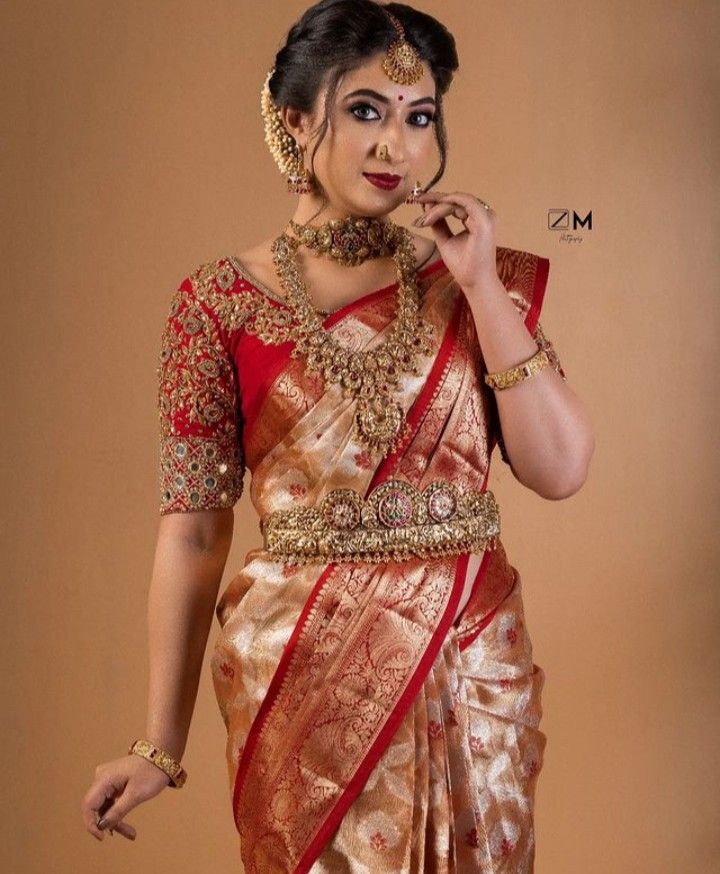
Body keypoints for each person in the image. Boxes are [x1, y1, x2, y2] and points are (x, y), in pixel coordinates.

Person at [81, 1, 594, 871]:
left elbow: (562, 469)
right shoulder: (218, 305)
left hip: (470, 661)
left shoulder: (468, 281)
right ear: (295, 120)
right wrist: (159, 747)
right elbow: (197, 531)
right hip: (302, 681)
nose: (399, 147)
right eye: (366, 112)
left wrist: (478, 287)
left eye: (419, 116)